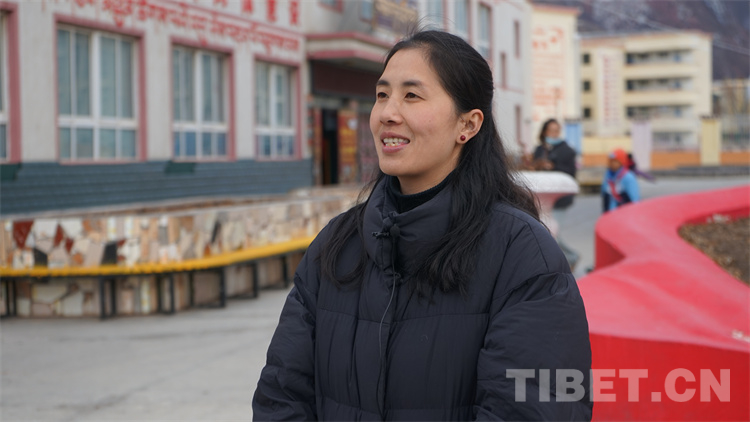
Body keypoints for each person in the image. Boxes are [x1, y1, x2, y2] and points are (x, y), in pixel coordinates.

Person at [253, 30, 592, 421]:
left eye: (411, 95)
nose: (387, 113)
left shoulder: (521, 253)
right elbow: (281, 395)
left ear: (468, 124)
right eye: (382, 94)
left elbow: (533, 408)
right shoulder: (337, 243)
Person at [532, 118, 580, 270]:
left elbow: (571, 173)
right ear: (544, 132)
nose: (554, 134)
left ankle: (570, 257)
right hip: (540, 199)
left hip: (559, 199)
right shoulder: (539, 150)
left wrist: (553, 166)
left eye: (556, 130)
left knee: (552, 232)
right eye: (551, 130)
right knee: (543, 232)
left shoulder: (567, 150)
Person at [602, 148, 640, 212]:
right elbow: (604, 193)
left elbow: (635, 200)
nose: (612, 163)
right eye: (610, 161)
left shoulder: (628, 177)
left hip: (623, 214)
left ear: (621, 162)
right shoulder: (608, 175)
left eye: (615, 161)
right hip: (610, 213)